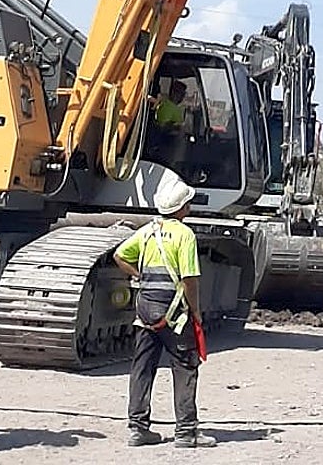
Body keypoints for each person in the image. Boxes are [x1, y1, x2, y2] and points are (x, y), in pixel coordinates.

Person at [112, 172, 215, 449]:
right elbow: (190, 279)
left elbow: (119, 255)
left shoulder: (147, 231)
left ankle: (138, 428)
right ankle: (185, 432)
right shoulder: (185, 235)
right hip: (174, 314)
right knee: (184, 367)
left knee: (142, 367)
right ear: (182, 207)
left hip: (145, 311)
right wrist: (196, 312)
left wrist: (139, 277)